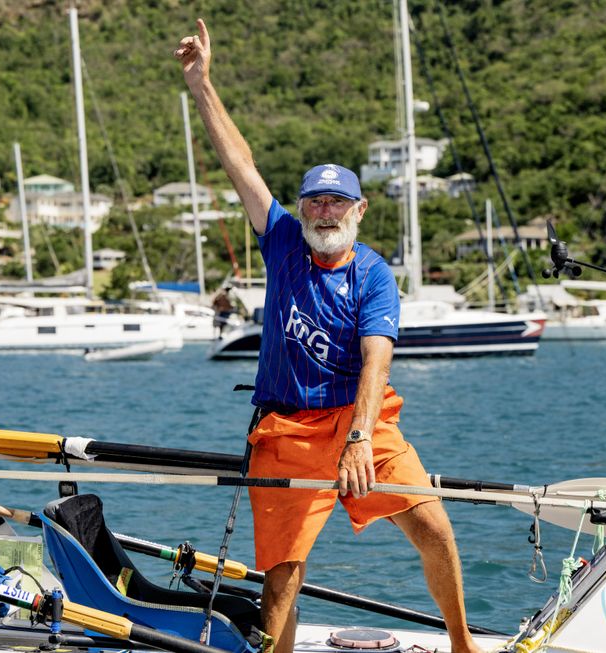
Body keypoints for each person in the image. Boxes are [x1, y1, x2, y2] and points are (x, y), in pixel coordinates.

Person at [174, 20, 484, 653]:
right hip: (287, 429)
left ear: (358, 210)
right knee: (281, 577)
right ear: (301, 208)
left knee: (435, 527)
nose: (323, 211)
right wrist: (202, 85)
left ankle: (462, 644)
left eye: (336, 202)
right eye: (313, 200)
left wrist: (362, 440)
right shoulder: (284, 242)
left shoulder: (373, 275)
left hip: (359, 420)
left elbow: (377, 363)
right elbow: (241, 163)